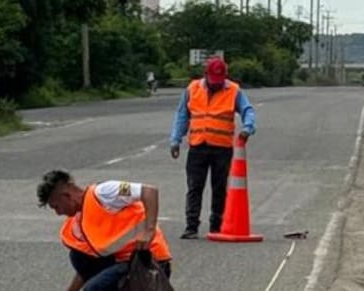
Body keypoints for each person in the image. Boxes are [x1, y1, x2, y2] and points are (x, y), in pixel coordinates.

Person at [37, 169, 173, 291]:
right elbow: (87, 267)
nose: (58, 213)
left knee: (94, 288)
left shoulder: (104, 192)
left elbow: (149, 191)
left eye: (56, 206)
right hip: (126, 261)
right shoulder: (80, 219)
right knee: (79, 256)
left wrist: (148, 231)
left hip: (148, 261)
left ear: (67, 195)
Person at [168, 55, 256, 239]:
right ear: (205, 74)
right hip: (198, 146)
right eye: (213, 79)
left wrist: (248, 128)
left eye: (220, 79)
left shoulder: (233, 90)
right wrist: (175, 140)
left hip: (222, 148)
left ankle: (216, 225)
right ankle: (191, 226)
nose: (216, 83)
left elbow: (248, 110)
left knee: (219, 187)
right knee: (194, 187)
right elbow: (182, 115)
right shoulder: (193, 89)